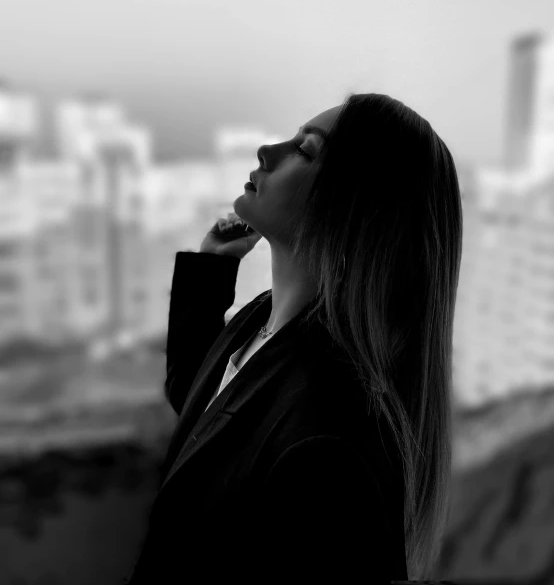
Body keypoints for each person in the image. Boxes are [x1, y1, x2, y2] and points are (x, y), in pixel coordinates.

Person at [125, 92, 463, 584]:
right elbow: (207, 411)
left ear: (355, 209)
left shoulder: (333, 441)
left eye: (305, 151)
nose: (268, 149)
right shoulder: (263, 321)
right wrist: (212, 268)